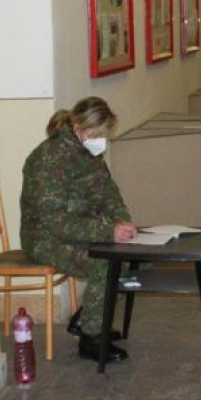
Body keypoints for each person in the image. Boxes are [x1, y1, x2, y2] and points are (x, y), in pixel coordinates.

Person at [20, 96, 138, 363]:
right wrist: (107, 232)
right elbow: (53, 221)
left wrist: (122, 220)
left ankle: (88, 318)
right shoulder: (49, 160)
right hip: (45, 239)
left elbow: (108, 192)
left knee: (133, 257)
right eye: (97, 134)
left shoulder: (88, 152)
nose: (101, 141)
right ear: (78, 129)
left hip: (82, 231)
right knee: (105, 264)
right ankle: (91, 339)